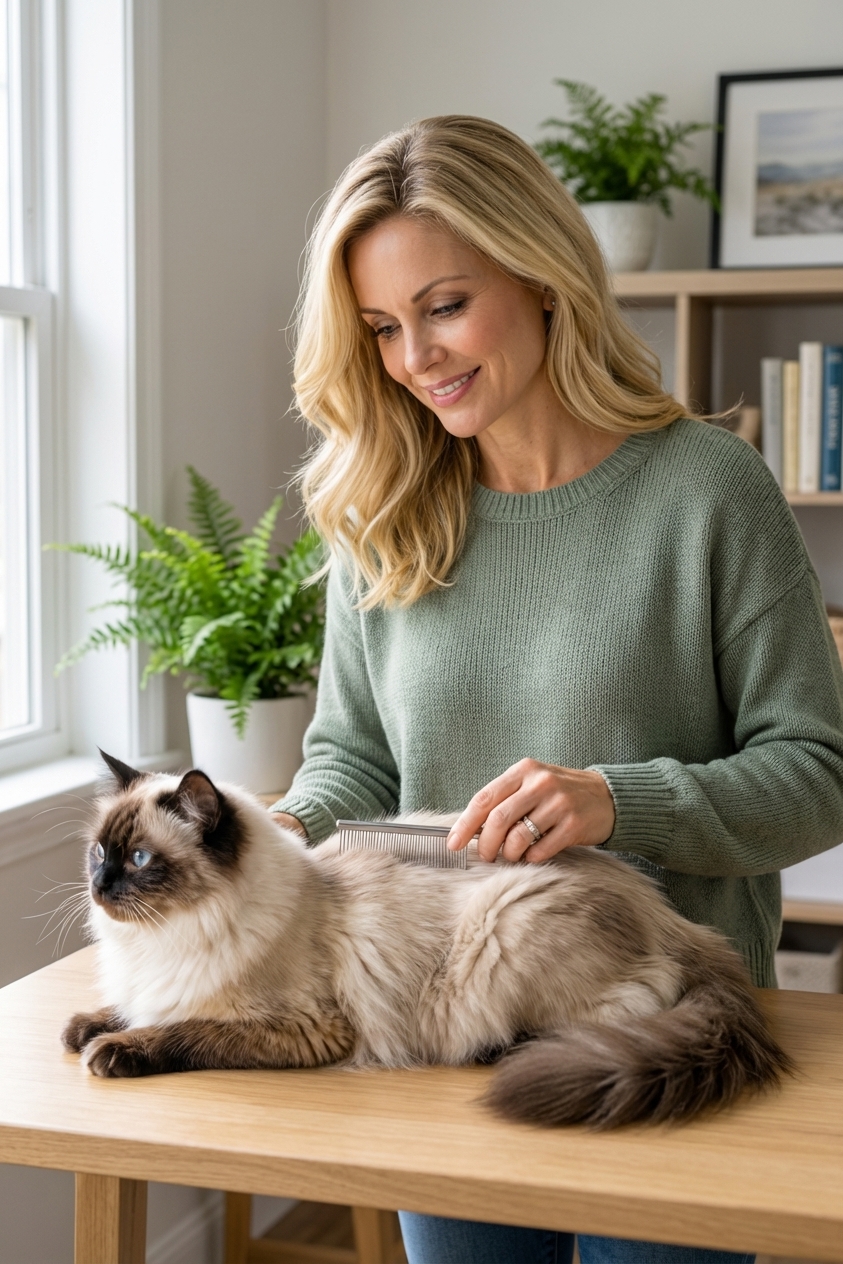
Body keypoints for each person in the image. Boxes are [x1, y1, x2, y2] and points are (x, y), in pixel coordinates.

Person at [269, 115, 843, 1264]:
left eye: (443, 306)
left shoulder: (706, 490)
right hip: (449, 1031)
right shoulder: (381, 513)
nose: (416, 357)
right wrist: (273, 839)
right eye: (381, 327)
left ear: (540, 275)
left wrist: (616, 800)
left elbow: (818, 777)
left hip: (673, 1036)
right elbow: (354, 762)